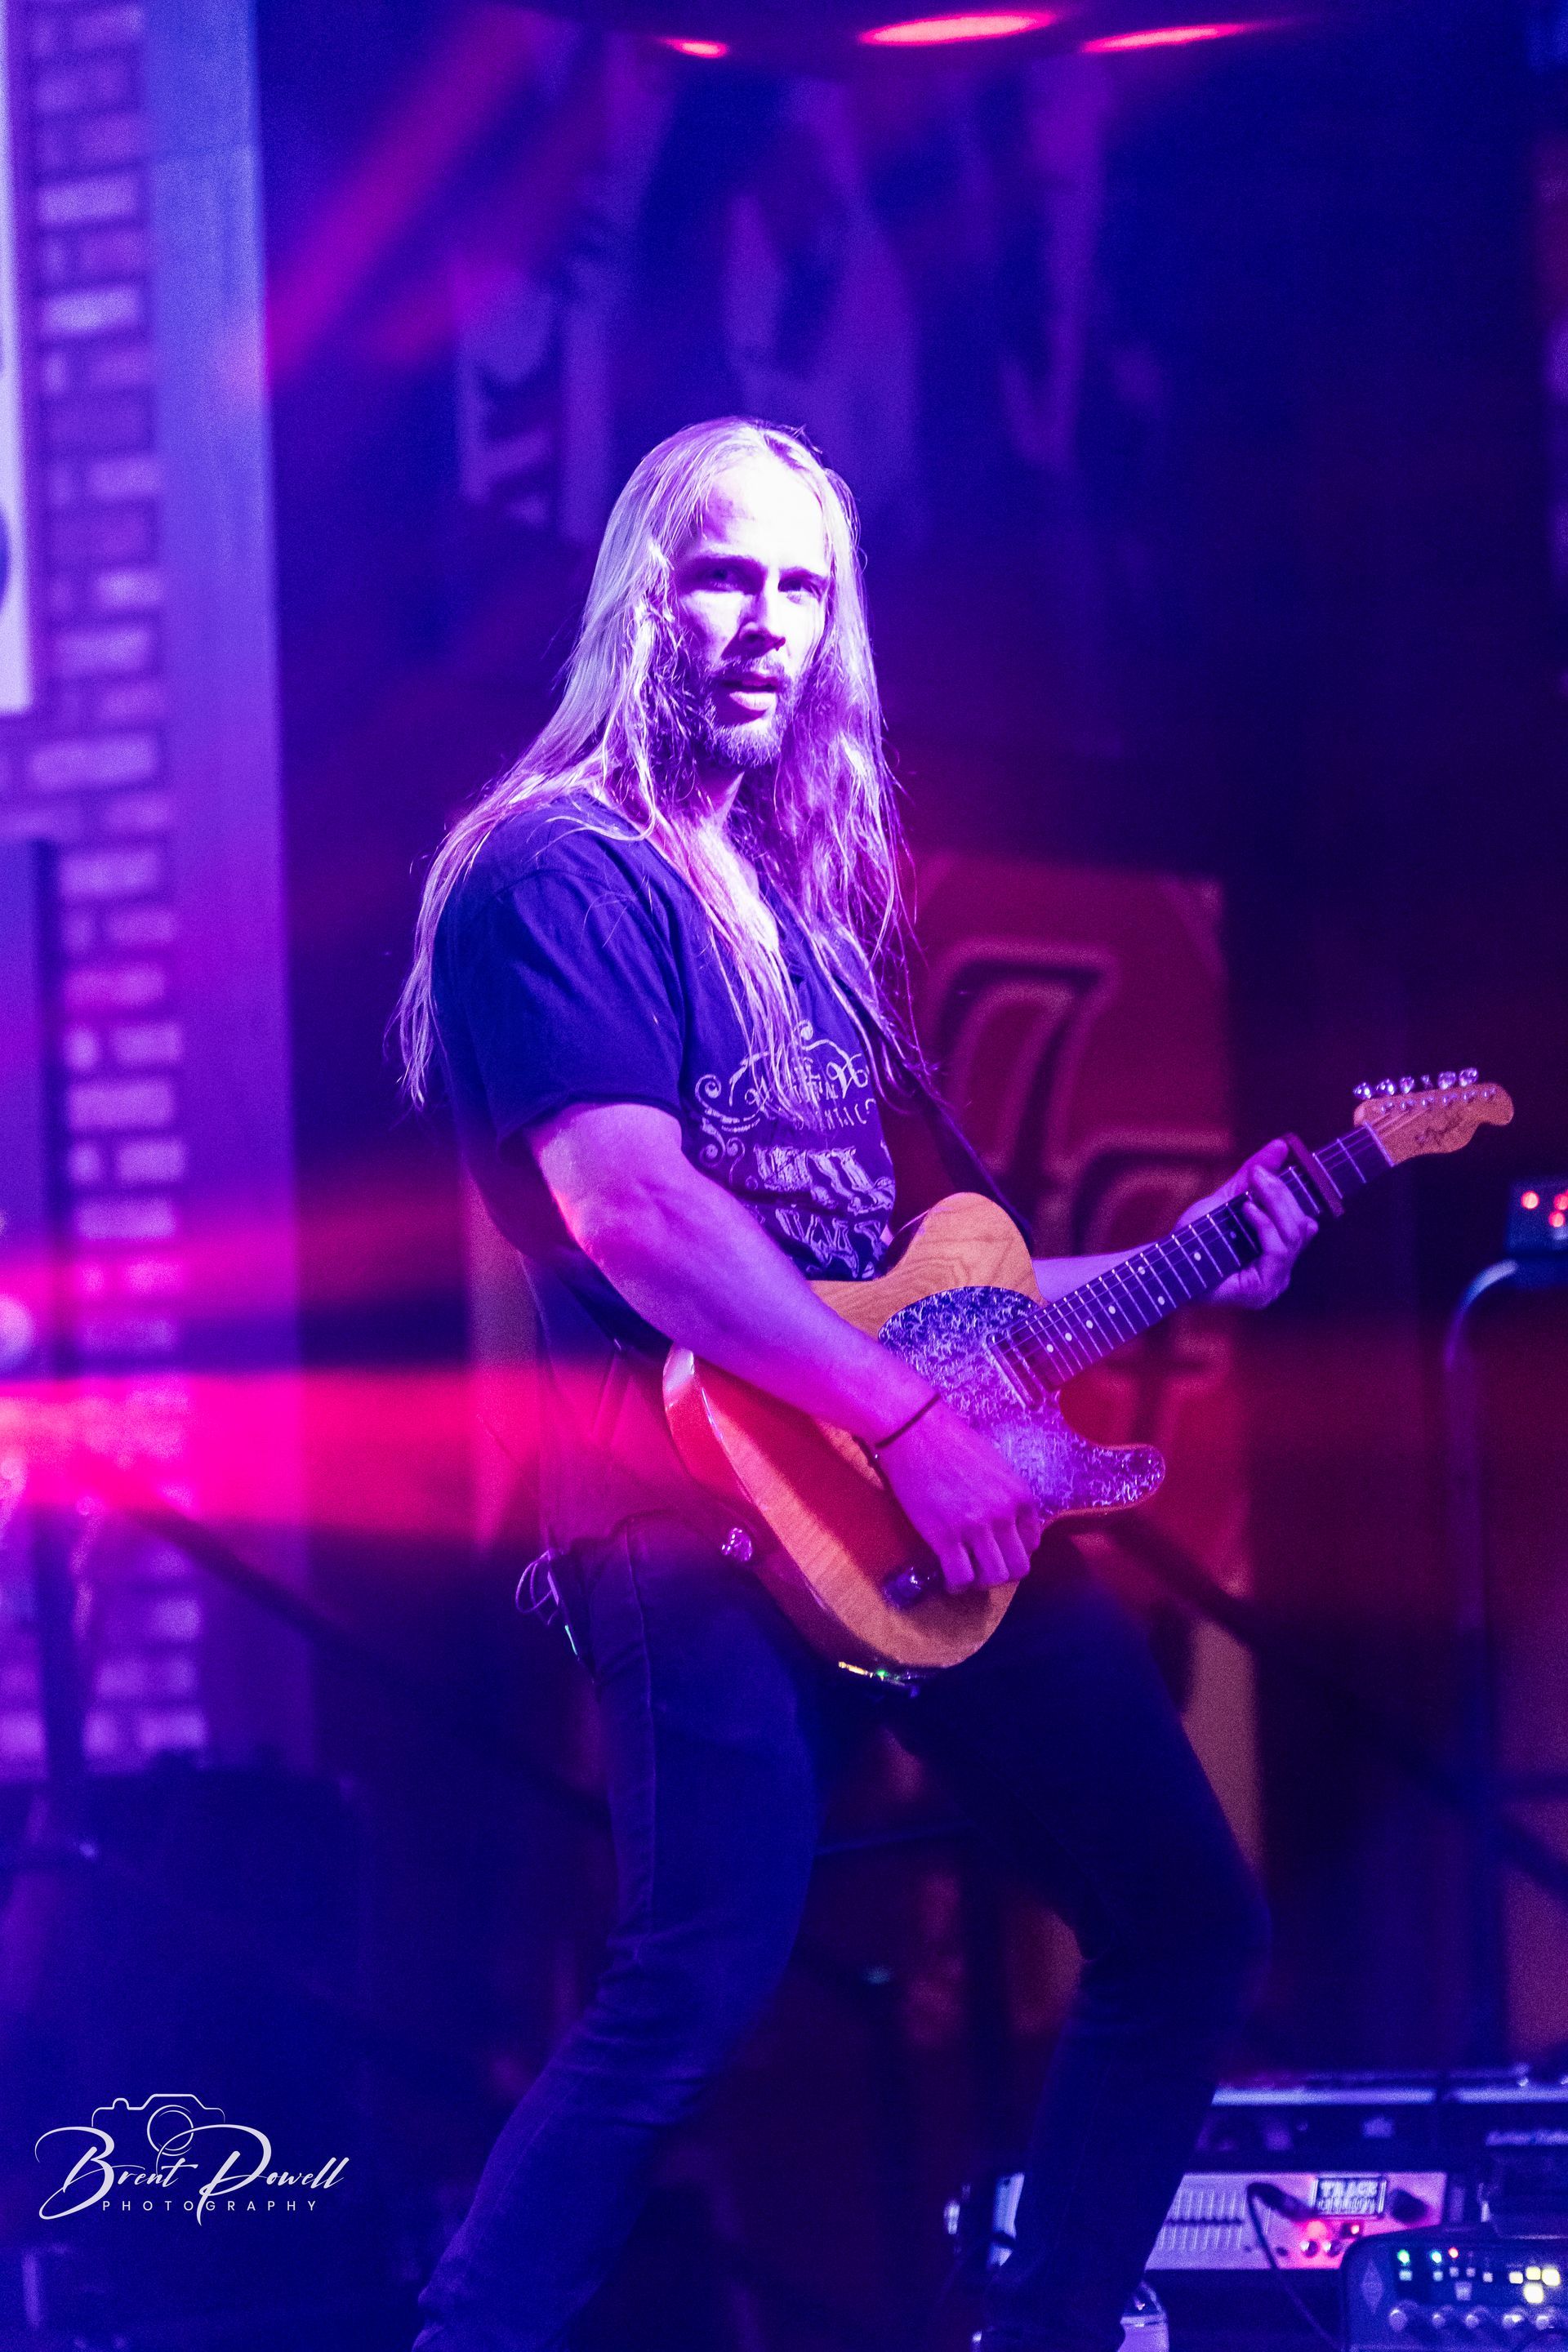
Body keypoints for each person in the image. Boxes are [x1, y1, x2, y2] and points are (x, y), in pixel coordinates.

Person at [399, 417, 1313, 2352]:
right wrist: (907, 1422)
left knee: (1188, 1923)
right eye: (725, 575)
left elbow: (912, 1299)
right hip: (690, 1530)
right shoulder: (554, 876)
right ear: (642, 586)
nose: (763, 624)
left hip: (906, 1510)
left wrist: (1215, 1238)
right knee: (690, 2002)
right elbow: (635, 1210)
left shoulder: (809, 933)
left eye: (803, 589)